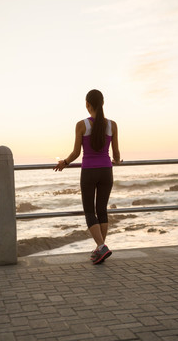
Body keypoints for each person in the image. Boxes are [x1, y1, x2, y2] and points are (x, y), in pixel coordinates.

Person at [54, 89, 121, 264]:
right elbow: (116, 155)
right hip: (107, 171)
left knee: (89, 211)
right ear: (103, 103)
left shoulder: (81, 125)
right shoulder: (112, 125)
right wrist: (118, 161)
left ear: (87, 105)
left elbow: (76, 152)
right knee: (102, 210)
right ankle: (101, 248)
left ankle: (101, 247)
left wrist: (65, 162)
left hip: (89, 171)